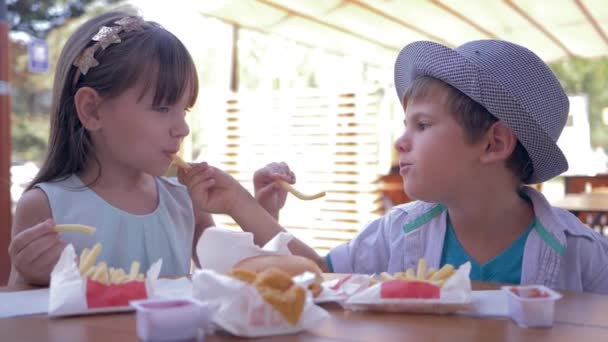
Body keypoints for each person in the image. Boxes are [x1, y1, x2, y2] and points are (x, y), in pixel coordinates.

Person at [191, 40, 608, 294]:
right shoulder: (396, 232)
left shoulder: (584, 255)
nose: (400, 141)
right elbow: (319, 274)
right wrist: (245, 206)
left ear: (494, 143)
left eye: (422, 125)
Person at [7, 8, 293, 286]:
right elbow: (15, 323)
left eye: (185, 110)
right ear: (92, 110)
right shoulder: (45, 206)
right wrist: (28, 277)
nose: (182, 129)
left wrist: (264, 213)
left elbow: (237, 279)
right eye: (162, 107)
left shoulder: (186, 201)